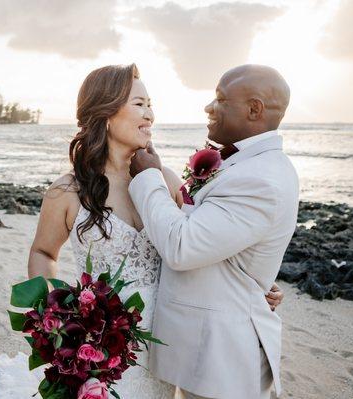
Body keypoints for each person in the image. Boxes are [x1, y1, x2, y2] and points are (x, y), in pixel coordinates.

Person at [0, 64, 284, 399]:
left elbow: (198, 243)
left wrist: (251, 284)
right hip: (97, 346)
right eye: (139, 104)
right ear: (106, 112)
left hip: (167, 344)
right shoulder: (67, 191)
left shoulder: (166, 181)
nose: (150, 114)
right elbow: (43, 253)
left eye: (150, 104)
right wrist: (55, 318)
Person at [128, 64, 298, 399]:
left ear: (254, 110)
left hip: (223, 361)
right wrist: (249, 278)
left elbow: (182, 247)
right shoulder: (245, 166)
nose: (209, 107)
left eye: (220, 99)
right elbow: (220, 236)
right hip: (201, 350)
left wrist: (148, 177)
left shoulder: (260, 178)